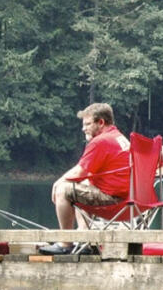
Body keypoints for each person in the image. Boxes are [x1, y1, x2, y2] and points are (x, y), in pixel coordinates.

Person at [38, 103, 131, 255]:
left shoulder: (101, 141)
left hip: (114, 201)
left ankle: (65, 243)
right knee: (80, 186)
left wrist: (58, 182)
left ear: (100, 122)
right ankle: (84, 239)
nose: (83, 129)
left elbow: (79, 171)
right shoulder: (119, 137)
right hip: (129, 200)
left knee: (63, 190)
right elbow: (83, 176)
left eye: (88, 124)